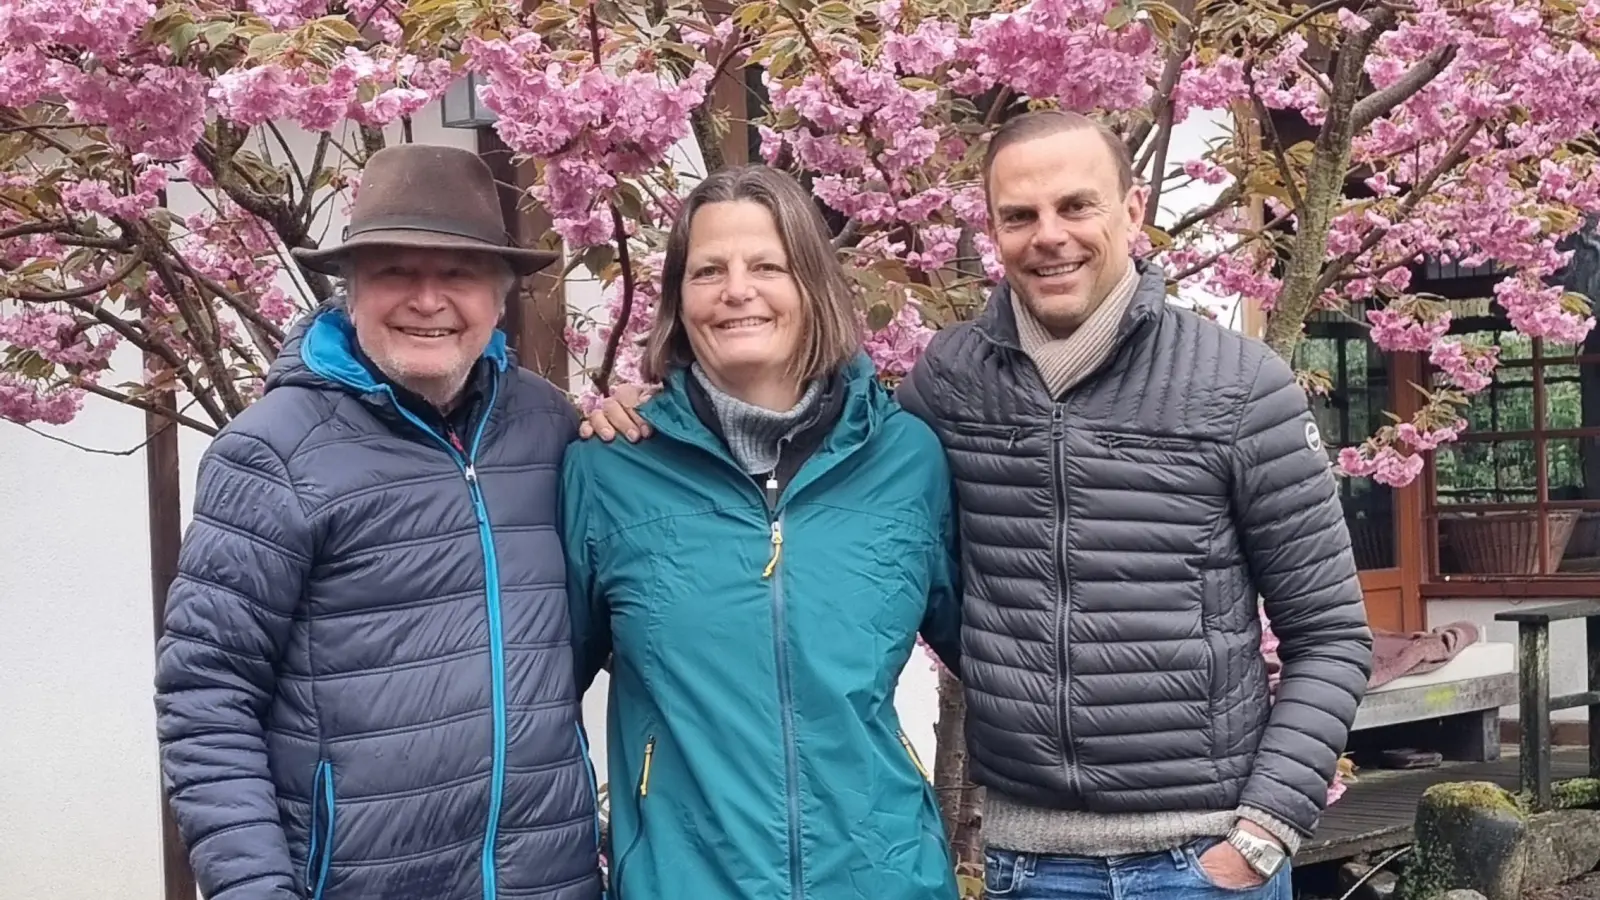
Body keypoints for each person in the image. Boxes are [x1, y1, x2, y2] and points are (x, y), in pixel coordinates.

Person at [584, 113, 1373, 900]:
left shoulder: (1239, 385)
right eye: (1020, 216)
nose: (1049, 236)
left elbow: (1330, 631)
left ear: (1133, 211)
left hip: (1199, 857)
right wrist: (645, 416)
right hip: (1029, 863)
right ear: (992, 228)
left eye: (1076, 207)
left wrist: (1265, 829)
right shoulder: (949, 389)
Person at [153, 144, 601, 900]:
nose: (428, 300)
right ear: (350, 292)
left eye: (458, 274)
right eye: (396, 271)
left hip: (546, 883)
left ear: (498, 296)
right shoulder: (273, 453)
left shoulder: (549, 427)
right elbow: (206, 697)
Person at [560, 164, 963, 900]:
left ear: (812, 285)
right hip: (685, 880)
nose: (736, 290)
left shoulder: (908, 461)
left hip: (884, 877)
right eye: (708, 270)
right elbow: (541, 696)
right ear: (679, 303)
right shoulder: (610, 470)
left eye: (766, 266)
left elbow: (1006, 661)